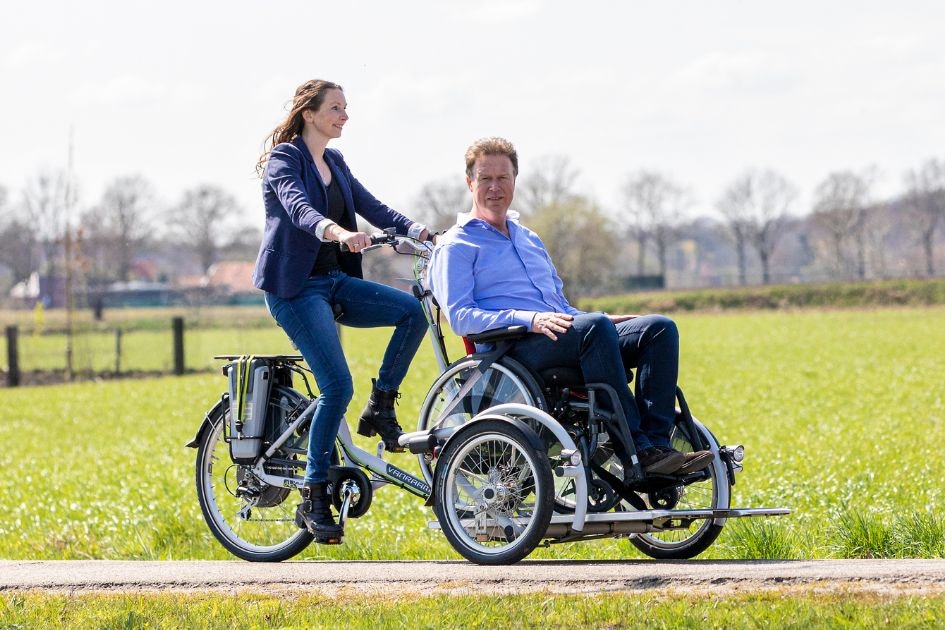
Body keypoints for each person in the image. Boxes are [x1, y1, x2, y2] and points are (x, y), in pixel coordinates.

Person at [428, 137, 711, 477]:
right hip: (512, 350)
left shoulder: (528, 239)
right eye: (485, 178)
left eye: (503, 178)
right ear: (469, 182)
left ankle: (656, 444)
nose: (494, 187)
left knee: (658, 329)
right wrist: (530, 319)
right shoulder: (457, 245)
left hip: (561, 334)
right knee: (594, 329)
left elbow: (559, 305)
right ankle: (637, 451)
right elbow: (461, 318)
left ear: (515, 180)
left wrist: (597, 318)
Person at [253, 80, 433, 543]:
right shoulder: (285, 159)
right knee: (336, 386)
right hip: (295, 290)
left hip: (334, 282)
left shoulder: (334, 161)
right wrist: (335, 232)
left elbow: (370, 205)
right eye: (336, 108)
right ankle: (314, 493)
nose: (344, 116)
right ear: (310, 113)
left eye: (346, 108)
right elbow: (298, 209)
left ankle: (381, 406)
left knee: (413, 312)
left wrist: (416, 229)